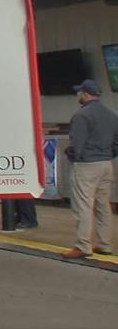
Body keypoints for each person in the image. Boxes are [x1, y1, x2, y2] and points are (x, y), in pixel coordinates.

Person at [62, 79, 118, 259]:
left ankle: (83, 245)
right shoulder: (111, 114)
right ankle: (105, 244)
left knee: (83, 205)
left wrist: (72, 154)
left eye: (80, 92)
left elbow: (77, 143)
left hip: (86, 165)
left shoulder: (82, 115)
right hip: (106, 164)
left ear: (85, 94)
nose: (78, 95)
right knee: (103, 205)